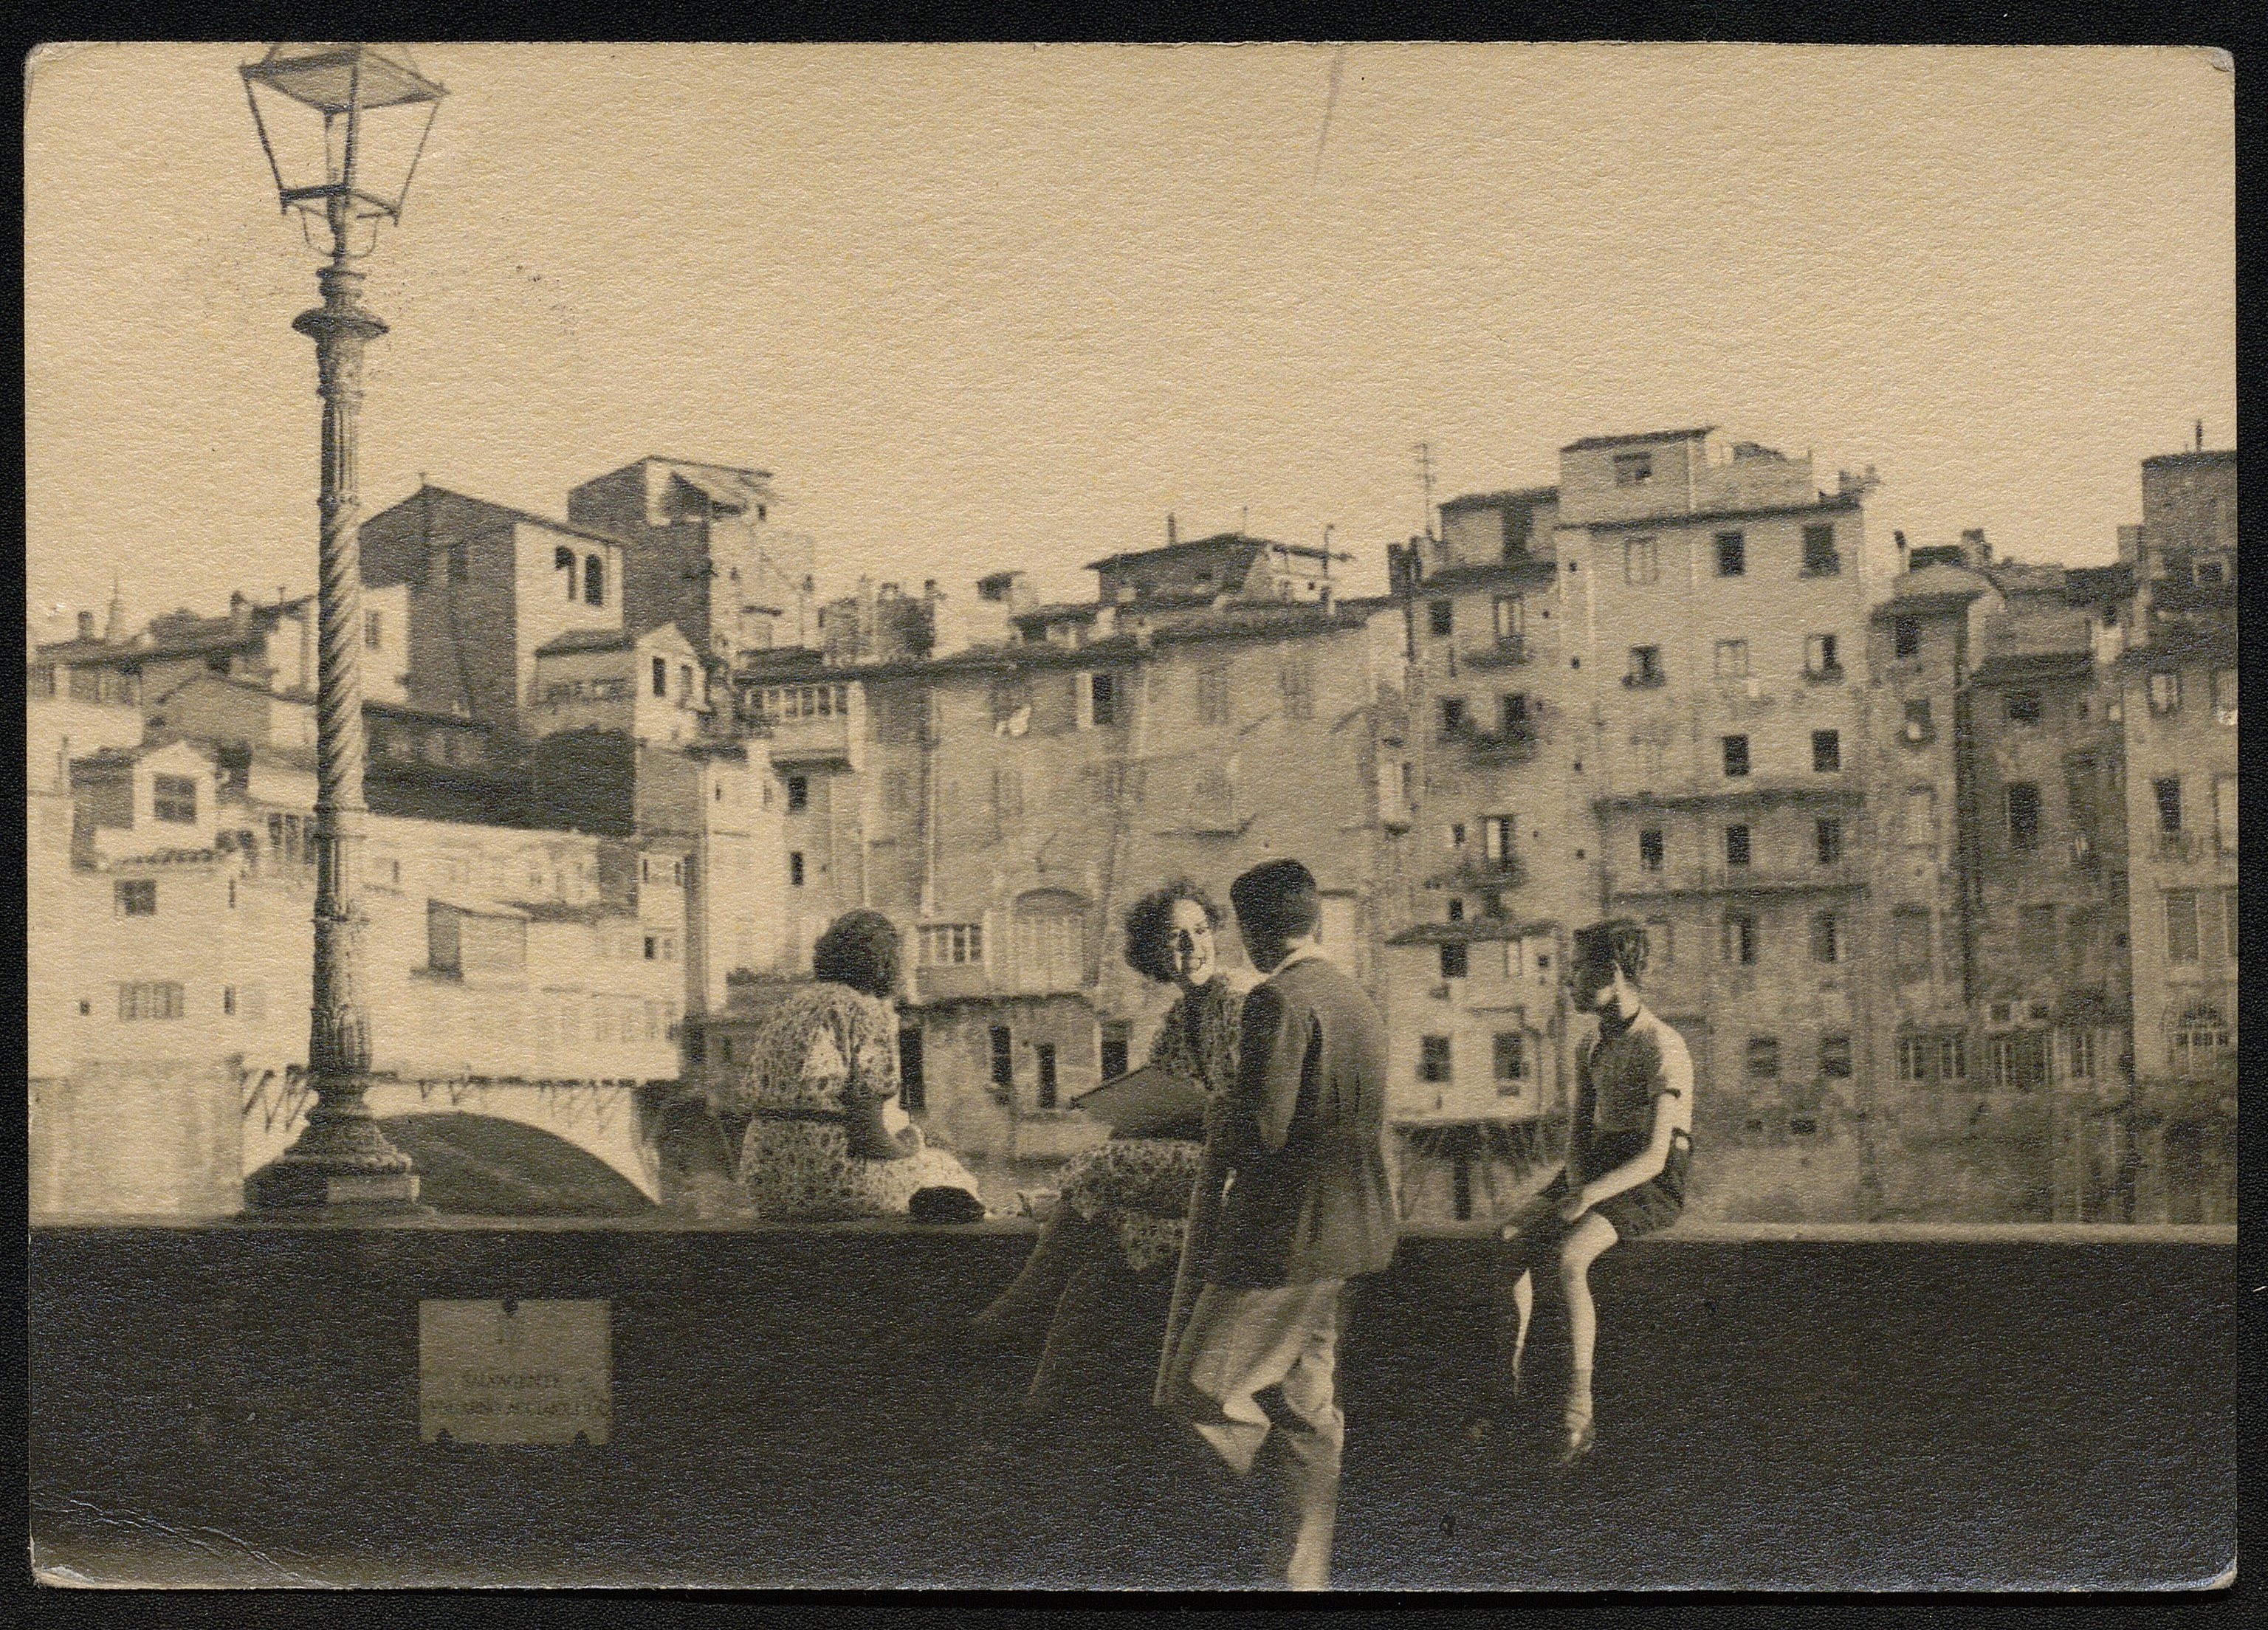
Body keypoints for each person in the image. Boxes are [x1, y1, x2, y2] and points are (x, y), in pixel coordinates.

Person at [1157, 859, 1398, 1591]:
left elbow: (1263, 1130)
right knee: (1306, 1416)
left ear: (1258, 932)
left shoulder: (1276, 999)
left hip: (1288, 1241)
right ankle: (1298, 1582)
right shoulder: (1357, 998)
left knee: (1197, 1391)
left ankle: (1273, 1530)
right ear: (1313, 919)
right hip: (1358, 1233)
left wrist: (1219, 1111)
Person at [972, 879, 1245, 1411]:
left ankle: (1017, 1309)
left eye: (1200, 930)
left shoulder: (1232, 1004)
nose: (1192, 946)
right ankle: (1041, 1408)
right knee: (1100, 1255)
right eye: (1175, 938)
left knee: (1101, 1167)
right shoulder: (1179, 1018)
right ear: (1154, 954)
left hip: (1229, 1171)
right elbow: (1154, 1109)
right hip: (1192, 1175)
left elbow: (1243, 1110)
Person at [1494, 917, 1694, 1468]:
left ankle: (1579, 1406)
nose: (1569, 980)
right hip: (1598, 1164)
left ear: (1612, 973)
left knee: (1571, 1255)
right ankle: (1507, 1387)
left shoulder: (1663, 1044)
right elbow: (1578, 1135)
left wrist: (1588, 1197)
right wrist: (1578, 1184)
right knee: (1509, 1239)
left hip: (1648, 1177)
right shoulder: (1591, 1045)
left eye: (1579, 969)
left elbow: (1656, 1156)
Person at [721, 909, 986, 1221]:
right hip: (825, 1181)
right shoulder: (861, 1012)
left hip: (765, 1183)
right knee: (947, 1172)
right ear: (887, 962)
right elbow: (867, 1137)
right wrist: (911, 1153)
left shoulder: (791, 1007)